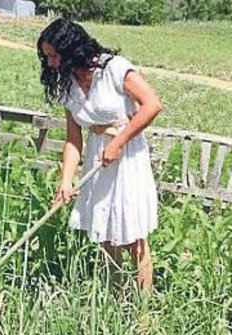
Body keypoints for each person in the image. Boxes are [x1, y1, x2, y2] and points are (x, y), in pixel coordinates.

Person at [36, 18, 163, 292]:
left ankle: (143, 316)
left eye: (54, 55)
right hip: (98, 156)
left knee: (132, 237)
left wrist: (118, 142)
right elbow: (73, 139)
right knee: (105, 234)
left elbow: (152, 105)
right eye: (47, 57)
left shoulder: (114, 69)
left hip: (126, 156)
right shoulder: (68, 84)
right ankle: (114, 302)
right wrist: (66, 181)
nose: (51, 63)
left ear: (71, 49)